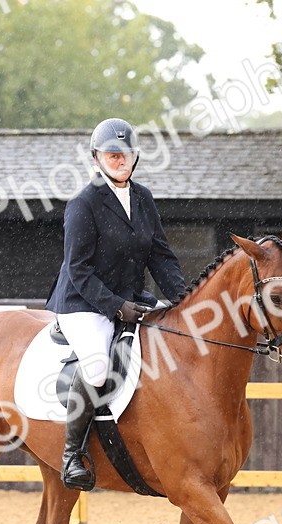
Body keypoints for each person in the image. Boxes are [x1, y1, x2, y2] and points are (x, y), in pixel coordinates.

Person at [44, 118, 188, 491]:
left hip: (132, 299)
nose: (120, 160)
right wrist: (115, 306)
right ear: (97, 158)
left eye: (125, 154)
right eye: (112, 154)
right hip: (84, 304)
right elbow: (78, 269)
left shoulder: (142, 198)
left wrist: (183, 299)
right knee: (96, 367)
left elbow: (161, 256)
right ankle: (72, 454)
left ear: (135, 158)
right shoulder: (83, 203)